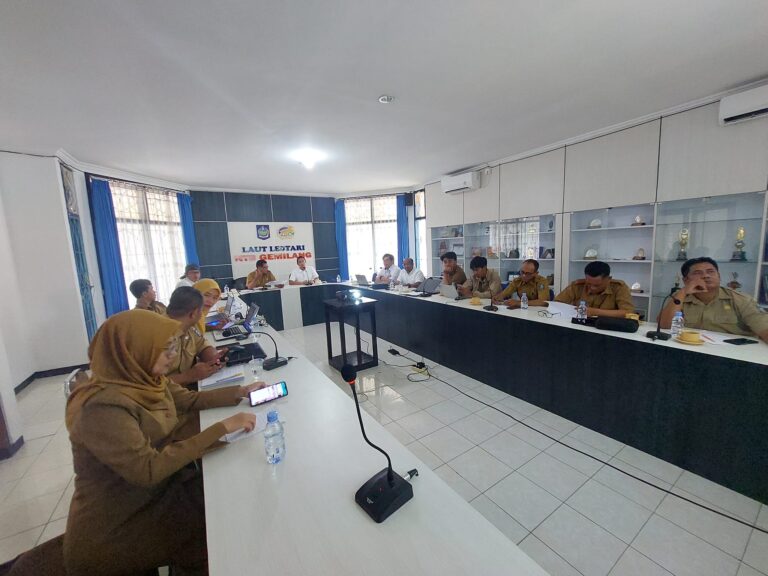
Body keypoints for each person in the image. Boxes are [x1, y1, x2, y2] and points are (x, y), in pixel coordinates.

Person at [63, 309, 263, 575]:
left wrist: (240, 392)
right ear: (134, 349)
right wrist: (222, 428)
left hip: (156, 494)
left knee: (226, 497)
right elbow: (148, 469)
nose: (172, 354)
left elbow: (190, 400)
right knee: (219, 527)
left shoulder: (146, 379)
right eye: (165, 348)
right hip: (120, 524)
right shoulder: (101, 407)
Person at [659, 257, 768, 341]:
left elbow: (765, 329)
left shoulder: (741, 300)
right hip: (690, 351)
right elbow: (664, 325)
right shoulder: (680, 297)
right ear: (686, 280)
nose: (706, 276)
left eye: (711, 271)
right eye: (698, 273)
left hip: (732, 355)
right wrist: (683, 291)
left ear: (719, 276)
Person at [166, 287, 227, 386]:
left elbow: (200, 343)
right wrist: (188, 376)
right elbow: (149, 385)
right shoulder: (159, 337)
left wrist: (213, 357)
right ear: (193, 314)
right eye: (201, 311)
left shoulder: (187, 325)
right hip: (171, 393)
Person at [555, 260, 634, 318]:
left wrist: (595, 312)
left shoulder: (619, 287)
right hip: (579, 325)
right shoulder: (577, 286)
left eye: (597, 285)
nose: (592, 288)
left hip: (607, 329)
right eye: (589, 284)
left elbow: (628, 312)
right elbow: (556, 304)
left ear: (609, 279)